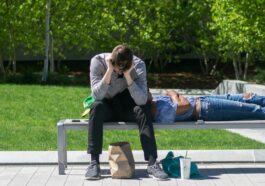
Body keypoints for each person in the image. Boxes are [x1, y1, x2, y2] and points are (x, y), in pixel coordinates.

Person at [86, 44, 168, 180]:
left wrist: (128, 76)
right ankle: (94, 163)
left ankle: (152, 163)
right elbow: (96, 96)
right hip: (106, 105)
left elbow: (142, 99)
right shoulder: (98, 62)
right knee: (96, 107)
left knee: (143, 109)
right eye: (118, 66)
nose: (119, 71)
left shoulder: (138, 65)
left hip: (128, 105)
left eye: (124, 67)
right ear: (112, 61)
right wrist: (109, 71)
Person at [149, 90, 265, 123]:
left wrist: (174, 96)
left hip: (205, 100)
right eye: (146, 90)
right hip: (208, 109)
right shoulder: (157, 111)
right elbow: (185, 105)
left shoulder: (155, 101)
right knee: (255, 110)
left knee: (249, 97)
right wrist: (175, 95)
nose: (148, 90)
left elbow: (169, 91)